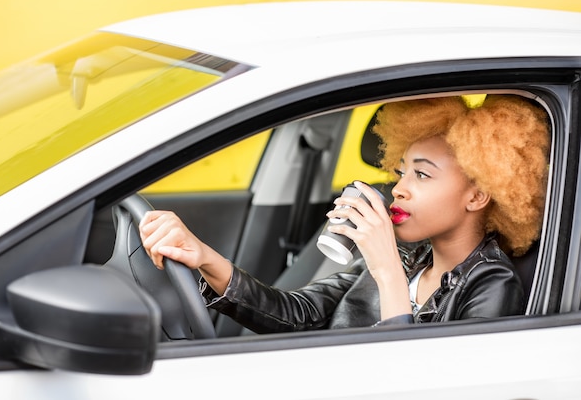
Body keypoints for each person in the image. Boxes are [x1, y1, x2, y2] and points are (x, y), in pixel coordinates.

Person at [139, 94, 551, 333]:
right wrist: (204, 257)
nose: (400, 188)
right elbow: (295, 314)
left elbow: (418, 382)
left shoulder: (492, 284)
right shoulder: (410, 258)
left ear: (478, 196)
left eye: (422, 175)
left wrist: (386, 269)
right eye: (401, 171)